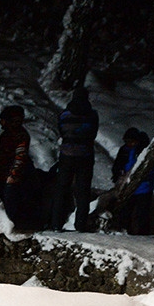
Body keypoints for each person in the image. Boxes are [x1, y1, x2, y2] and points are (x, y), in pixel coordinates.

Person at [50, 87, 99, 232]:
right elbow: (93, 134)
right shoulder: (93, 115)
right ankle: (80, 225)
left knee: (61, 189)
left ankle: (56, 223)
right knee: (83, 191)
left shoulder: (65, 114)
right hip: (86, 155)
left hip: (67, 155)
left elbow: (61, 130)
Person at [0, 105, 32, 224]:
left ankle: (9, 225)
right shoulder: (7, 134)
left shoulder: (19, 134)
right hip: (2, 174)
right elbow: (5, 152)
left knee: (10, 203)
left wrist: (13, 175)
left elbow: (20, 156)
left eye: (2, 119)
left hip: (10, 177)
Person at [111, 127, 154, 235]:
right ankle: (126, 232)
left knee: (142, 214)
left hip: (144, 188)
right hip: (129, 187)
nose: (128, 144)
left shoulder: (145, 150)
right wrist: (117, 174)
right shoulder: (126, 150)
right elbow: (118, 164)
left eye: (130, 141)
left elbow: (151, 168)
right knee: (126, 212)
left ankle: (142, 235)